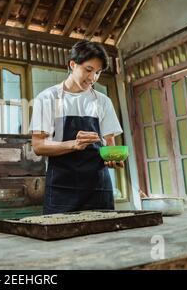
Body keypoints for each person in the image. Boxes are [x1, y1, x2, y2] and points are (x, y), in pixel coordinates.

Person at [30, 40, 123, 215]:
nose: (93, 78)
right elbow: (38, 146)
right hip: (61, 187)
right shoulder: (47, 98)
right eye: (88, 70)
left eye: (98, 72)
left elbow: (110, 142)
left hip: (98, 187)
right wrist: (73, 144)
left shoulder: (103, 101)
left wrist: (113, 157)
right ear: (73, 64)